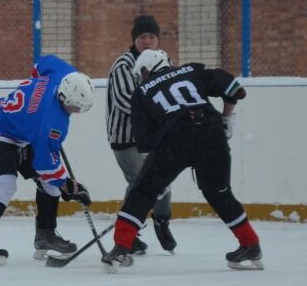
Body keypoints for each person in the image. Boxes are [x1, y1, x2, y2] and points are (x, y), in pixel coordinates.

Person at [101, 49, 262, 271]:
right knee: (220, 193)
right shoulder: (193, 69)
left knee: (142, 191)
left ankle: (120, 247)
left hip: (174, 138)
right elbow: (235, 90)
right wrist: (226, 119)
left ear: (146, 70)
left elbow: (145, 142)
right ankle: (250, 244)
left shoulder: (140, 91)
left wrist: (155, 178)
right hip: (211, 132)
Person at [0, 55, 94, 267]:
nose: (76, 112)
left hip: (22, 130)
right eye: (75, 108)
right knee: (6, 183)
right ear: (64, 98)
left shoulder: (63, 73)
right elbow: (45, 166)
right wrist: (69, 187)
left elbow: (42, 63)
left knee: (48, 182)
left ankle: (45, 234)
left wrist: (35, 93)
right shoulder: (52, 125)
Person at [107, 14, 175, 254]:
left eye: (151, 36)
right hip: (126, 138)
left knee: (162, 181)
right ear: (134, 40)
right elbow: (126, 102)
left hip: (154, 138)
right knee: (141, 183)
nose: (147, 41)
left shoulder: (162, 62)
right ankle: (128, 235)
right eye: (142, 37)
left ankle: (161, 222)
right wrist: (158, 114)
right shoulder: (123, 65)